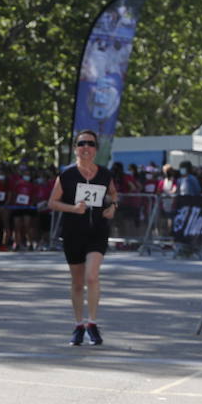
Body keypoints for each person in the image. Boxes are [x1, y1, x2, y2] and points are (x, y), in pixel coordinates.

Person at [48, 129, 117, 345]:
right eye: (81, 144)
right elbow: (52, 202)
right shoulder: (67, 175)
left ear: (96, 149)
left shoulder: (105, 174)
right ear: (76, 149)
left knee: (91, 276)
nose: (85, 147)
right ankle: (79, 325)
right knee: (78, 282)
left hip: (97, 231)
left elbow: (113, 194)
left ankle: (92, 323)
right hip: (73, 232)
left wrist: (112, 206)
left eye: (90, 144)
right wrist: (73, 208)